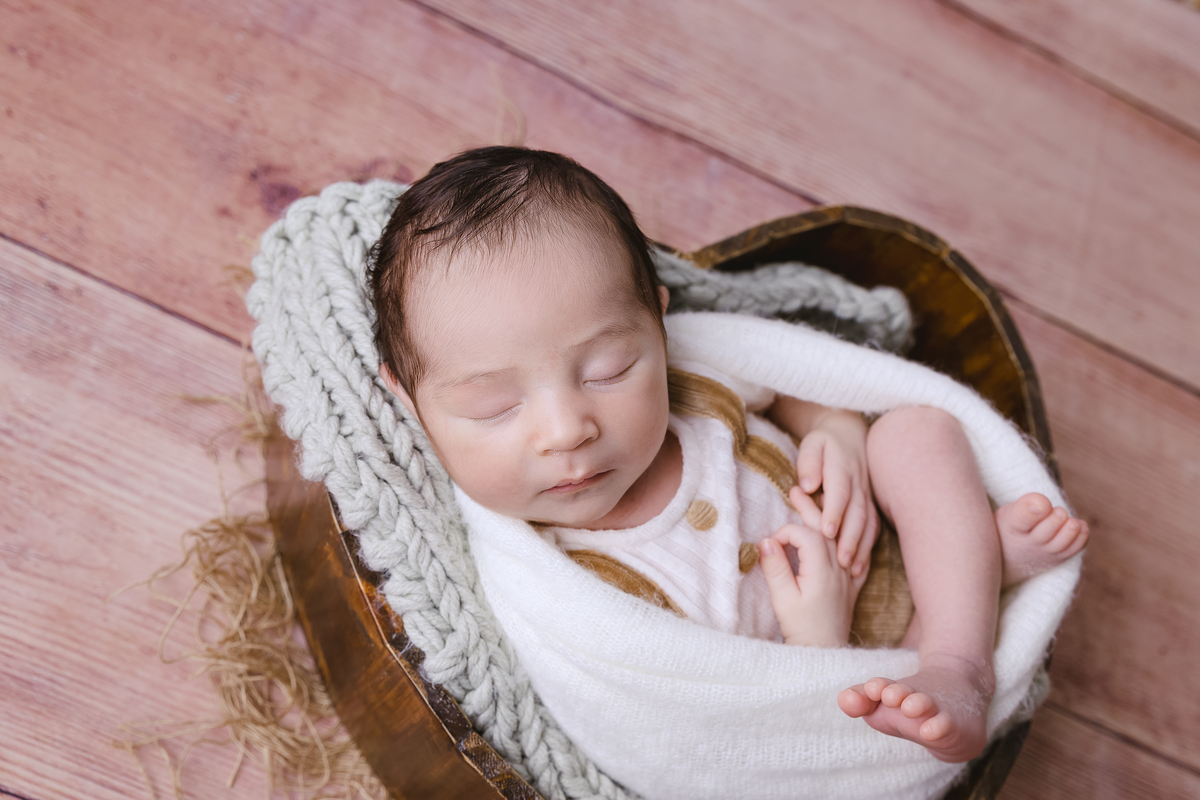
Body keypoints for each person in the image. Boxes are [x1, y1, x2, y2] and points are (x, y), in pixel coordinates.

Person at [367, 146, 1088, 764]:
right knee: (884, 703)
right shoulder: (580, 587)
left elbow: (788, 384)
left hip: (896, 539)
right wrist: (819, 637)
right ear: (410, 399)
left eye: (611, 367)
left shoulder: (695, 386)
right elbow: (723, 712)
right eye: (496, 407)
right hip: (843, 665)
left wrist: (835, 430)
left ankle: (960, 658)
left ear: (657, 318)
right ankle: (967, 596)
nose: (567, 430)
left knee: (918, 432)